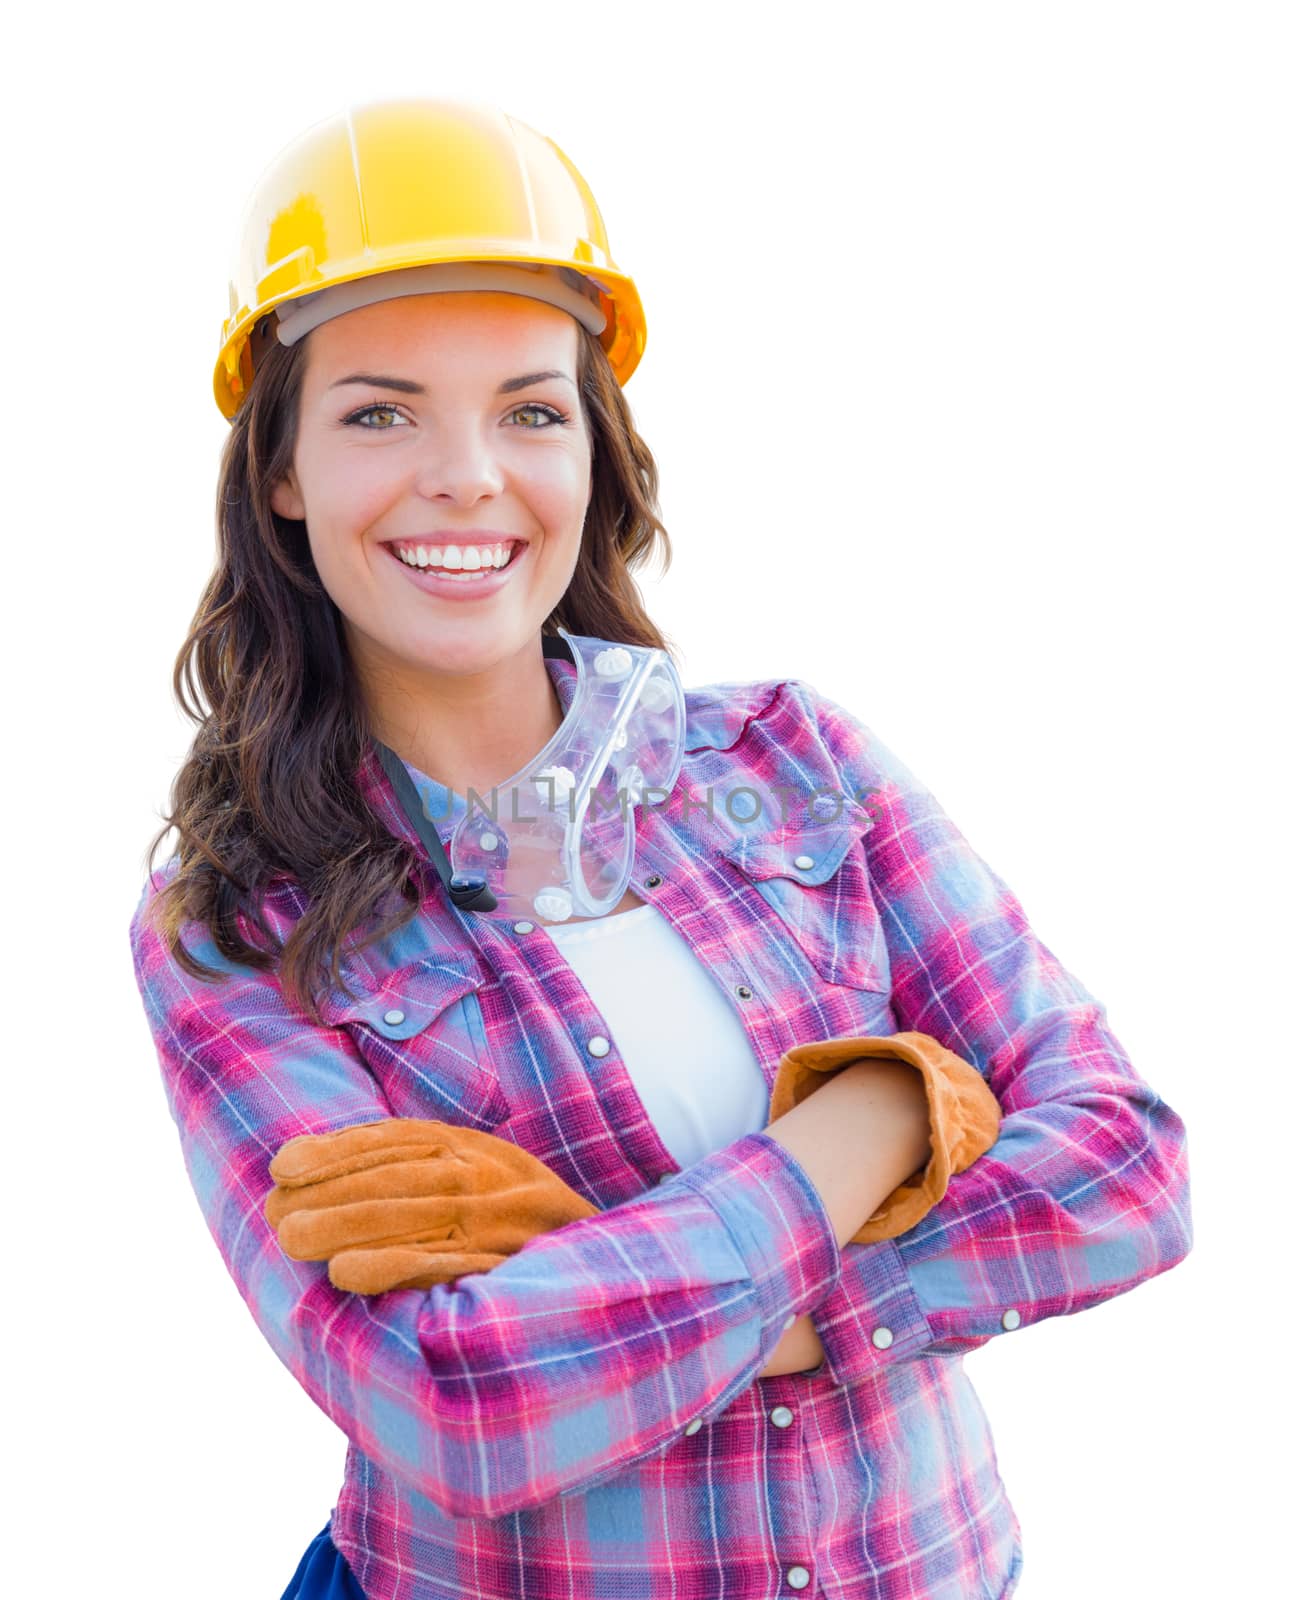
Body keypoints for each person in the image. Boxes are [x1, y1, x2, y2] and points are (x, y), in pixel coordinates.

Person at [128, 97, 1193, 1600]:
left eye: (528, 408)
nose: (463, 475)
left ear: (592, 448)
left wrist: (666, 1290)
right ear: (281, 472)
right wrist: (872, 1122)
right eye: (378, 411)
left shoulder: (796, 763)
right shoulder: (234, 923)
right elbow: (464, 1413)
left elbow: (1126, 1167)